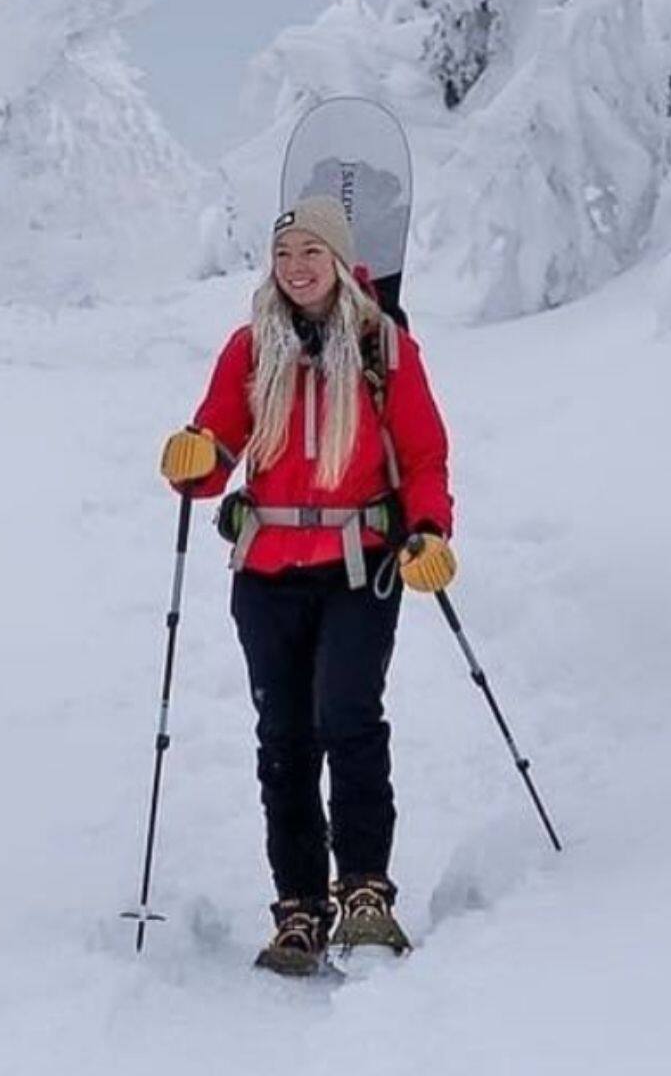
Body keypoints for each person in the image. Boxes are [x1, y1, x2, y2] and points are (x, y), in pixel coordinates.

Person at [158, 196, 456, 977]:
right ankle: (299, 909)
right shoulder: (249, 348)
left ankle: (364, 891)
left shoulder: (383, 347)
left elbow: (423, 456)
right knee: (283, 739)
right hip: (265, 576)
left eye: (310, 253)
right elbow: (218, 439)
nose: (295, 268)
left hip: (361, 565)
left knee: (348, 718)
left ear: (340, 260)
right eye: (284, 253)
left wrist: (429, 531)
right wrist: (195, 461)